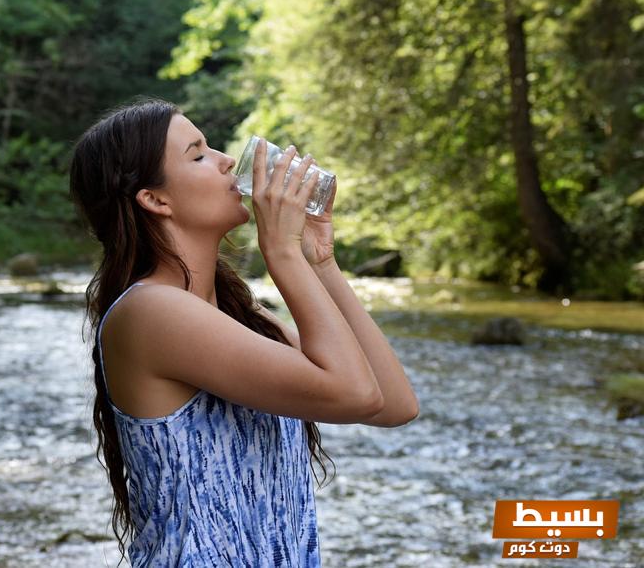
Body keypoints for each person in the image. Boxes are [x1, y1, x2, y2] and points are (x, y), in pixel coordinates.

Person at [68, 97, 419, 567]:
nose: (227, 161)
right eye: (198, 154)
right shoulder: (151, 312)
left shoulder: (237, 314)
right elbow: (354, 394)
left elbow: (393, 404)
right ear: (156, 200)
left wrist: (321, 261)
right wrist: (283, 254)